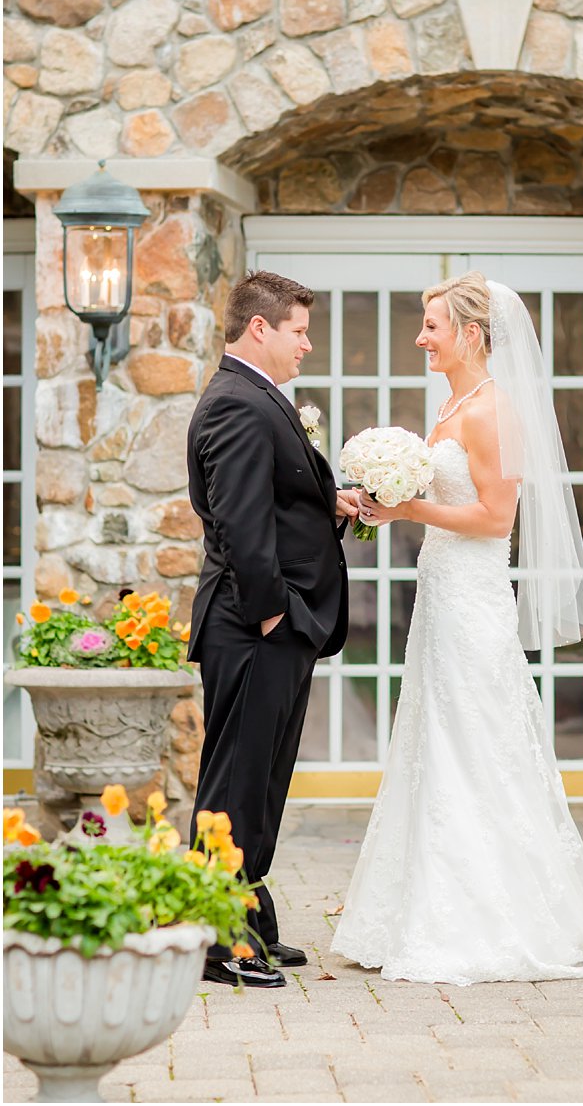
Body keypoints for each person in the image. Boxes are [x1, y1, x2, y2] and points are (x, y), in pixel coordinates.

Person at [330, 272, 583, 984]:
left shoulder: (494, 412)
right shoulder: (453, 404)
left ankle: (492, 915)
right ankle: (418, 903)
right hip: (440, 592)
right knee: (434, 737)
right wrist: (390, 498)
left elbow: (495, 520)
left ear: (471, 335)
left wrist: (410, 512)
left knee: (479, 740)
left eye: (432, 326)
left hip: (474, 596)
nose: (421, 337)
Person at [186, 270, 362, 988]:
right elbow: (239, 522)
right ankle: (217, 940)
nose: (307, 344)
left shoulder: (257, 397)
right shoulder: (236, 403)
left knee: (261, 781)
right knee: (235, 782)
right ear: (260, 328)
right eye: (298, 330)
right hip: (255, 624)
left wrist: (333, 499)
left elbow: (278, 498)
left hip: (275, 623)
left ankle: (248, 913)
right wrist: (270, 611)